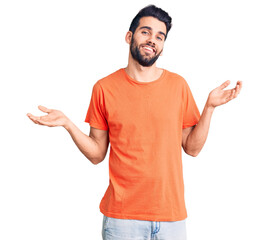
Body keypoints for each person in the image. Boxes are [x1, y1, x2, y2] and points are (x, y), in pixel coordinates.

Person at [27, 5, 242, 240]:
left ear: (162, 46)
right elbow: (97, 153)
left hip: (171, 218)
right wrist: (68, 124)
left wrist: (209, 108)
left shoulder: (178, 86)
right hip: (122, 220)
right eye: (146, 32)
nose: (152, 40)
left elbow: (192, 148)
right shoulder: (104, 88)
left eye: (160, 37)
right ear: (129, 36)